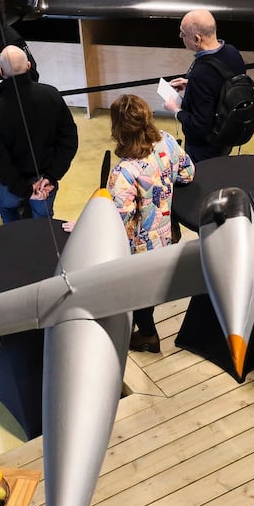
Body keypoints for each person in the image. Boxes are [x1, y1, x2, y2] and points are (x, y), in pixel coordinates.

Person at [105, 94, 194, 353]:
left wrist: (87, 222)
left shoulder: (123, 172)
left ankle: (147, 334)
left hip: (138, 246)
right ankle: (144, 330)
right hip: (167, 235)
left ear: (118, 128)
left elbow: (116, 220)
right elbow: (188, 174)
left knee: (136, 290)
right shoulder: (165, 141)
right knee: (149, 286)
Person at [0, 46, 77, 223]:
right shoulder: (51, 95)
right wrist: (51, 176)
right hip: (45, 182)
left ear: (1, 71)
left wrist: (24, 190)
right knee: (43, 223)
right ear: (28, 66)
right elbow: (69, 139)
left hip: (13, 183)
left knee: (7, 210)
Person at [164, 8, 246, 162]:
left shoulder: (200, 73)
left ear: (197, 39)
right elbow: (226, 87)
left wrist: (175, 110)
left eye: (183, 33)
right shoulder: (232, 52)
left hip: (204, 148)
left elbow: (200, 126)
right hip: (227, 134)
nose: (180, 36)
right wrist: (190, 84)